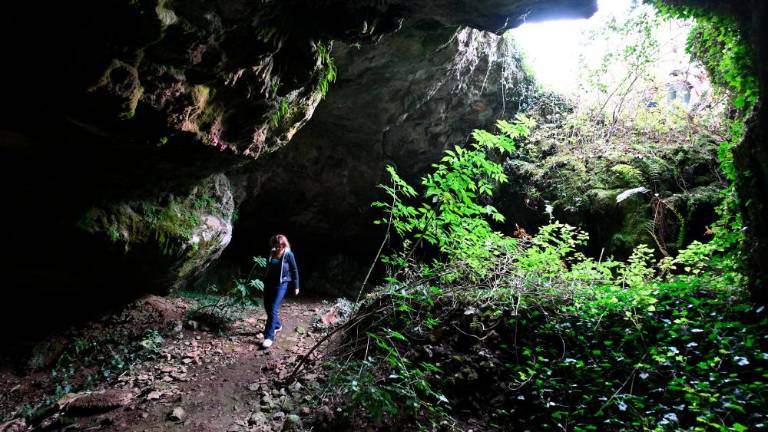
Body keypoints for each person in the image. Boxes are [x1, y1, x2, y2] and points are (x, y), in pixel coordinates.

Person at [262, 234, 299, 348]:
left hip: (281, 285)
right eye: (276, 245)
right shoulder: (271, 253)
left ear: (284, 245)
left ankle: (269, 336)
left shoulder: (288, 254)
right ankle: (277, 325)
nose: (278, 248)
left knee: (273, 308)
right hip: (269, 284)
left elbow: (294, 270)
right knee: (267, 306)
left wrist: (296, 286)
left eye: (281, 246)